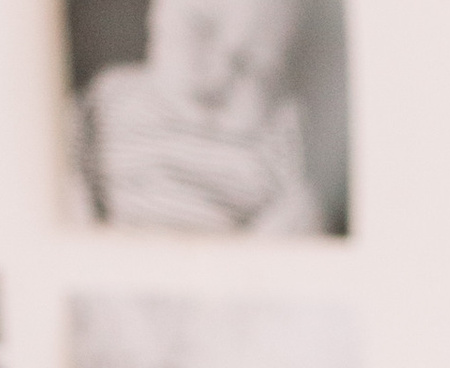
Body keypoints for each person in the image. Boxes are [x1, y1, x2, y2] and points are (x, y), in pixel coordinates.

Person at [75, 0, 324, 233]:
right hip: (120, 251)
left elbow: (298, 211)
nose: (221, 69)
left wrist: (281, 228)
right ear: (156, 20)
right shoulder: (112, 96)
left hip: (224, 260)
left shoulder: (277, 127)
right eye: (201, 31)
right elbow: (64, 168)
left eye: (247, 60)